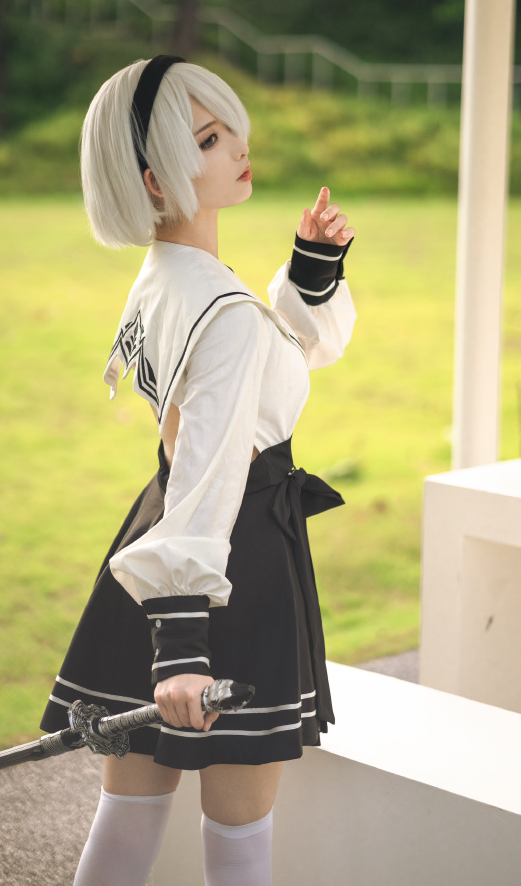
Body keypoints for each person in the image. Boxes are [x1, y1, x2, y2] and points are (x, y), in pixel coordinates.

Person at [39, 55, 357, 886]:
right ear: (155, 179)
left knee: (127, 820)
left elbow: (243, 381)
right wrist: (182, 647)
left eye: (230, 129)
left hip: (168, 536)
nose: (239, 147)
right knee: (239, 834)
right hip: (224, 561)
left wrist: (309, 271)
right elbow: (212, 460)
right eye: (209, 139)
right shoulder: (219, 310)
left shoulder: (165, 277)